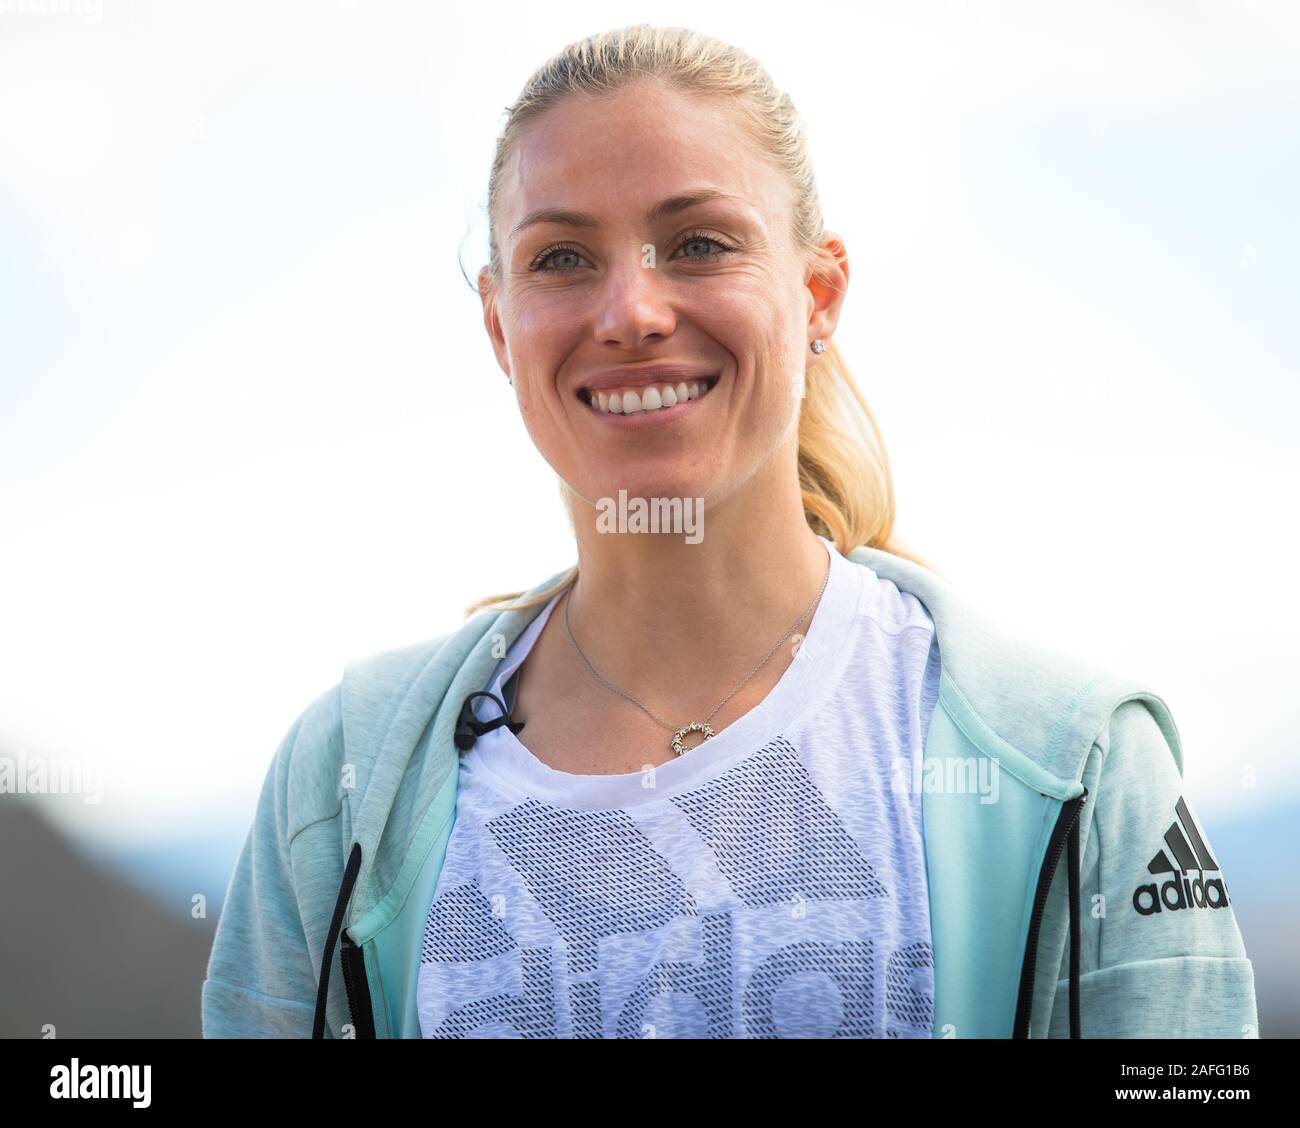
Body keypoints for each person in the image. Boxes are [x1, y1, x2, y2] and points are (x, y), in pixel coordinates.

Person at [201, 24, 1258, 1039]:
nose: (629, 311)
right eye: (562, 257)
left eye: (698, 244)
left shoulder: (1071, 764)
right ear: (497, 325)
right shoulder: (339, 781)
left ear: (818, 294)